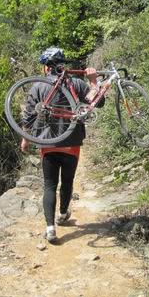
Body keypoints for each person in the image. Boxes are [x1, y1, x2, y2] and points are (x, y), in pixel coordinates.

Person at [20, 47, 104, 244]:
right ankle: (64, 213)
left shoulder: (38, 86)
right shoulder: (76, 83)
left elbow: (29, 116)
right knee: (67, 181)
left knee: (49, 185)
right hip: (71, 142)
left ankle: (50, 228)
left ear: (45, 68)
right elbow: (97, 102)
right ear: (62, 65)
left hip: (47, 143)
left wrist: (25, 138)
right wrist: (93, 82)